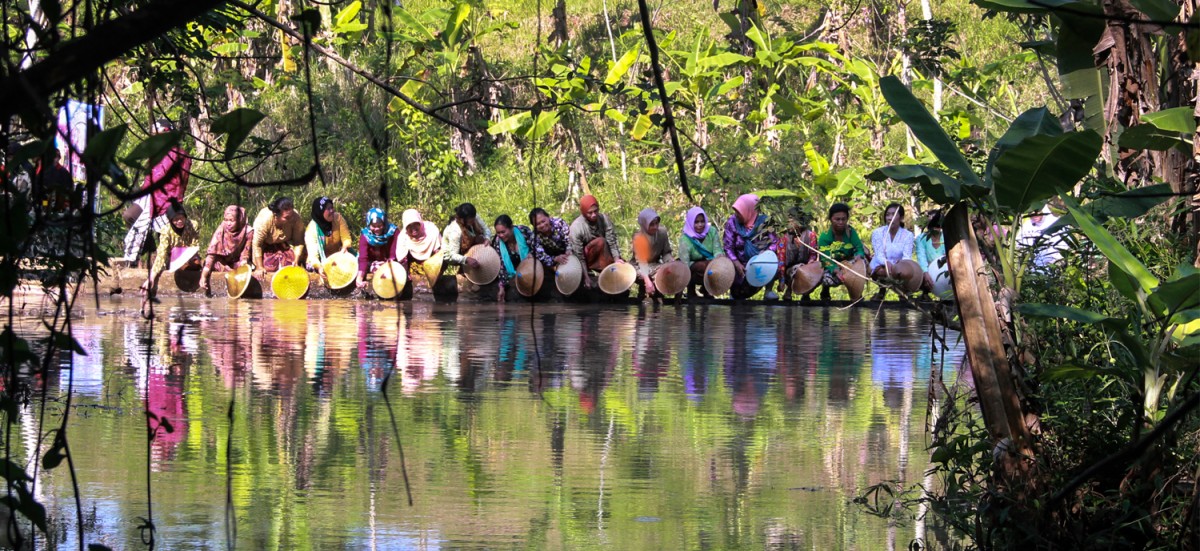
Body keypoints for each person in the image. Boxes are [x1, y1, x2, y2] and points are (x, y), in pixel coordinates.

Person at [123, 119, 191, 265]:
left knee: (166, 232)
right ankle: (148, 249)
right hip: (149, 197)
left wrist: (176, 201)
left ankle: (166, 262)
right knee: (129, 215)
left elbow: (182, 181)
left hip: (168, 198)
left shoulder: (182, 156)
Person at [722, 194, 783, 299]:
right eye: (736, 211)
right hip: (740, 264)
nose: (736, 214)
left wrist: (766, 253)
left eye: (739, 212)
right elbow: (728, 247)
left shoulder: (765, 222)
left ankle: (768, 291)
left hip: (759, 262)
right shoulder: (732, 222)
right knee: (738, 291)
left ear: (749, 210)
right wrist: (736, 263)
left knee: (774, 261)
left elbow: (775, 242)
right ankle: (734, 293)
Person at [141, 200, 199, 296]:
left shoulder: (193, 225)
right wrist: (151, 278)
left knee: (195, 264)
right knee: (159, 265)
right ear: (171, 220)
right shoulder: (166, 230)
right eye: (176, 219)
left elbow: (194, 245)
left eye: (182, 218)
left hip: (189, 255)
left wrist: (188, 258)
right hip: (171, 257)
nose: (180, 221)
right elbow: (162, 254)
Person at [492, 214, 554, 302]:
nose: (501, 235)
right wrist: (502, 287)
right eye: (498, 233)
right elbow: (501, 266)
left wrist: (532, 254)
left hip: (532, 270)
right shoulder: (498, 242)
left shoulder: (524, 231)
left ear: (511, 227)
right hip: (514, 276)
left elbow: (537, 247)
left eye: (503, 232)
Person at [569, 194, 625, 289]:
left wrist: (616, 258)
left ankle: (611, 273)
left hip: (603, 253)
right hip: (586, 258)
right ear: (583, 213)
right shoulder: (576, 228)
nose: (594, 215)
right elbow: (579, 256)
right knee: (600, 242)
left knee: (622, 265)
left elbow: (612, 240)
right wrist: (585, 277)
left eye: (596, 211)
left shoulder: (603, 219)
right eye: (590, 213)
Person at [816, 202, 867, 301]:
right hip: (833, 264)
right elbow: (825, 259)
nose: (841, 222)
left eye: (843, 219)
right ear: (831, 219)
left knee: (864, 264)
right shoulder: (825, 236)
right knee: (826, 280)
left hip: (849, 264)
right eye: (837, 219)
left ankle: (856, 292)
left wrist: (858, 256)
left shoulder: (851, 232)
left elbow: (859, 248)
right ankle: (825, 290)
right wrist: (835, 269)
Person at [198, 205, 252, 297]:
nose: (228, 224)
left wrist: (243, 263)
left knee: (244, 269)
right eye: (226, 220)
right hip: (222, 262)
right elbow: (211, 254)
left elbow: (245, 254)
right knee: (214, 264)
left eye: (231, 220)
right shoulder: (221, 229)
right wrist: (203, 276)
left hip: (238, 262)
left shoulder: (248, 231)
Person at [868, 202, 916, 300]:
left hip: (899, 266)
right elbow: (879, 254)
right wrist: (886, 263)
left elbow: (907, 256)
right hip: (881, 264)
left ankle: (903, 292)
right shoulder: (878, 233)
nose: (890, 218)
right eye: (887, 215)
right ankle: (881, 290)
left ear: (901, 218)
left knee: (904, 271)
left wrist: (900, 264)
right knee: (881, 270)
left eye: (893, 214)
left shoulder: (908, 235)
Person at [252, 196, 305, 278]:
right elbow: (257, 245)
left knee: (291, 270)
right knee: (268, 269)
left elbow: (299, 242)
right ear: (276, 215)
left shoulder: (295, 217)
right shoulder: (264, 220)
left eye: (291, 216)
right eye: (286, 218)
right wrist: (259, 267)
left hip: (285, 246)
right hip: (265, 246)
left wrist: (296, 261)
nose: (290, 219)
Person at [678, 206, 724, 298]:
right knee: (702, 266)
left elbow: (717, 250)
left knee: (716, 264)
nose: (700, 225)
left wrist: (720, 260)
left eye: (702, 221)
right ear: (691, 222)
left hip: (711, 267)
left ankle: (707, 289)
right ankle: (691, 290)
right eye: (696, 222)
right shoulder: (685, 239)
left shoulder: (712, 232)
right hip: (692, 269)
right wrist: (679, 290)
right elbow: (684, 264)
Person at [631, 208, 676, 298]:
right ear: (645, 225)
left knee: (668, 270)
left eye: (656, 223)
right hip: (639, 266)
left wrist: (670, 262)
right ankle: (645, 293)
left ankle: (659, 295)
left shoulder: (662, 232)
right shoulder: (639, 238)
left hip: (655, 264)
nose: (655, 227)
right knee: (649, 275)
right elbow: (642, 262)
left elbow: (666, 253)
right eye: (651, 224)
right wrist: (647, 281)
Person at [777, 207, 820, 301]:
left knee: (819, 269)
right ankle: (788, 290)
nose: (789, 225)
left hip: (806, 269)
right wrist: (782, 280)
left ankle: (806, 292)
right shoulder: (784, 237)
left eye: (792, 222)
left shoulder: (810, 235)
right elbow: (781, 260)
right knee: (797, 268)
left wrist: (808, 267)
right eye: (788, 222)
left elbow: (813, 254)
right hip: (789, 271)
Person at [304, 196, 353, 273]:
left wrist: (345, 247)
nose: (332, 211)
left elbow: (346, 238)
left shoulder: (338, 218)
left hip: (338, 255)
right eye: (328, 209)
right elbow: (313, 255)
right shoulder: (312, 229)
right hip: (319, 261)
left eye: (332, 207)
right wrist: (319, 267)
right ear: (320, 212)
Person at [355, 208, 400, 290]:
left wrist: (388, 264)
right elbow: (363, 258)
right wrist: (359, 278)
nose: (377, 229)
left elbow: (394, 253)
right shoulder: (365, 235)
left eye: (379, 226)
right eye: (373, 226)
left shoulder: (393, 231)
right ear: (369, 224)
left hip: (391, 262)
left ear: (384, 223)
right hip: (372, 263)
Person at [442, 202, 492, 272]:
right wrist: (467, 259)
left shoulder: (473, 217)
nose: (473, 222)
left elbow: (486, 229)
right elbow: (453, 255)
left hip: (469, 241)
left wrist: (487, 238)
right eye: (471, 221)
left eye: (473, 220)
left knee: (481, 238)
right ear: (462, 220)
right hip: (452, 254)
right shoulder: (455, 231)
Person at [396, 208, 443, 279]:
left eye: (415, 224)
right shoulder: (403, 237)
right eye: (409, 226)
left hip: (433, 267)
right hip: (413, 270)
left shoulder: (431, 229)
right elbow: (402, 260)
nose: (413, 228)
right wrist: (405, 276)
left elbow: (440, 253)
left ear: (420, 222)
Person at [916, 210, 946, 292]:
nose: (936, 228)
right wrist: (925, 272)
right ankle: (925, 293)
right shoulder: (921, 238)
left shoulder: (946, 237)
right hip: (928, 269)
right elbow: (921, 257)